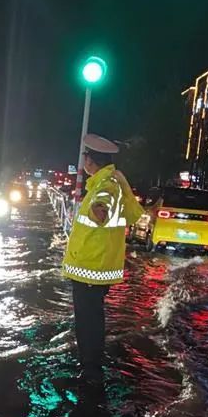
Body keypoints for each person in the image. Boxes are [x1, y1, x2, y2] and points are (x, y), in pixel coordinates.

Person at [63, 134, 146, 380]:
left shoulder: (107, 185)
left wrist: (99, 209)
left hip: (92, 267)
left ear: (92, 161)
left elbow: (104, 203)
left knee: (88, 320)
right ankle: (91, 363)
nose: (85, 162)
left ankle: (91, 369)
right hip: (94, 265)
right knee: (91, 318)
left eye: (86, 158)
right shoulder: (107, 181)